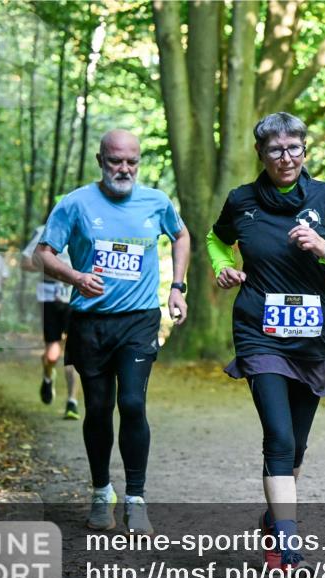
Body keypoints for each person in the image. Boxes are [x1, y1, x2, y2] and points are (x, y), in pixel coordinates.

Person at [207, 112, 325, 578]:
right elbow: (217, 240)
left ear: (305, 150)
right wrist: (224, 268)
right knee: (277, 438)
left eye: (294, 148)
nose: (286, 158)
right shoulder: (241, 201)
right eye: (276, 150)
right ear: (261, 154)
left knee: (295, 448)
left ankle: (276, 518)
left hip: (313, 337)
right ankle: (289, 550)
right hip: (259, 332)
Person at [34, 129, 190, 534]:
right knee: (99, 408)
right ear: (100, 161)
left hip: (139, 320)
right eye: (115, 161)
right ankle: (102, 492)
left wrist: (177, 287)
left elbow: (181, 235)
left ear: (138, 162)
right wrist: (75, 276)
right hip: (90, 322)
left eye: (131, 162)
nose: (124, 169)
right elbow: (43, 254)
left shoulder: (156, 202)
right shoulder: (75, 204)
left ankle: (136, 498)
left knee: (134, 404)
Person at [22, 226, 79, 419]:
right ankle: (48, 376)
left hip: (77, 296)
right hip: (50, 296)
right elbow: (25, 262)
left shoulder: (87, 229)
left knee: (74, 352)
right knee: (52, 355)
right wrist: (53, 267)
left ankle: (72, 402)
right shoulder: (44, 231)